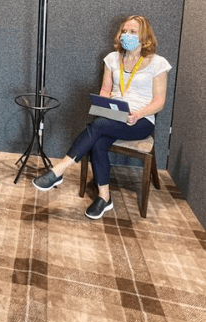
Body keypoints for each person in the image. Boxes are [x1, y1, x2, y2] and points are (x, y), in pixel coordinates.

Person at [32, 15, 171, 219]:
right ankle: (104, 197)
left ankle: (59, 169)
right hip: (114, 115)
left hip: (140, 120)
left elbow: (160, 101)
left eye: (133, 32)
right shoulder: (112, 58)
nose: (127, 35)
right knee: (98, 141)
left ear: (145, 36)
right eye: (124, 31)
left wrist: (139, 113)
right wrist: (104, 104)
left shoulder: (158, 63)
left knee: (98, 126)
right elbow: (106, 89)